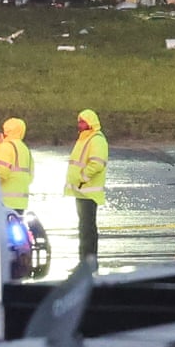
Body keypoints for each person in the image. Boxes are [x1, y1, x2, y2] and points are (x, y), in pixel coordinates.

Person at [65, 109, 108, 262]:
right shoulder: (85, 138)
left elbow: (97, 163)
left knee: (87, 228)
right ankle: (85, 259)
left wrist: (82, 178)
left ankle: (88, 260)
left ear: (90, 122)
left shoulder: (96, 139)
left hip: (88, 191)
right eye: (79, 121)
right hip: (82, 190)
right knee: (84, 228)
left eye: (82, 121)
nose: (79, 124)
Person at [0, 117, 34, 211]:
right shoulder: (25, 149)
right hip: (22, 202)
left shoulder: (6, 147)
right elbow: (31, 176)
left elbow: (2, 173)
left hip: (4, 201)